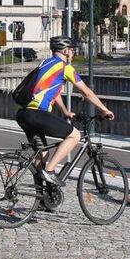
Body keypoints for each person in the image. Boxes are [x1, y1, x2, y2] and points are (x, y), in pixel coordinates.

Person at [15, 36, 114, 187]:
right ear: (66, 51)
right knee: (75, 135)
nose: (73, 54)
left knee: (41, 155)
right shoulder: (65, 68)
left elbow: (52, 91)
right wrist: (104, 109)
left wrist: (65, 111)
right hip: (37, 114)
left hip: (23, 114)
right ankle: (49, 171)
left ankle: (42, 198)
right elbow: (86, 92)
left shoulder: (45, 63)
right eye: (72, 51)